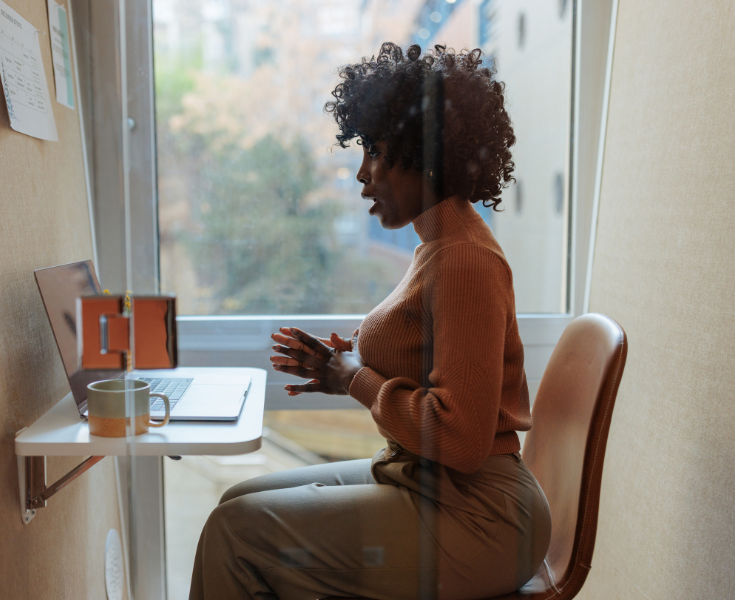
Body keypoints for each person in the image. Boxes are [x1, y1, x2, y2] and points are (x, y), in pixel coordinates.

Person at [189, 42, 551, 600]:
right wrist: (349, 361)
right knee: (236, 501)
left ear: (425, 153)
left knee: (234, 535)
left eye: (377, 150)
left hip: (482, 515)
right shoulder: (439, 247)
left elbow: (461, 438)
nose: (362, 174)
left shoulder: (463, 259)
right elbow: (425, 362)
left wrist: (353, 378)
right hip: (427, 481)